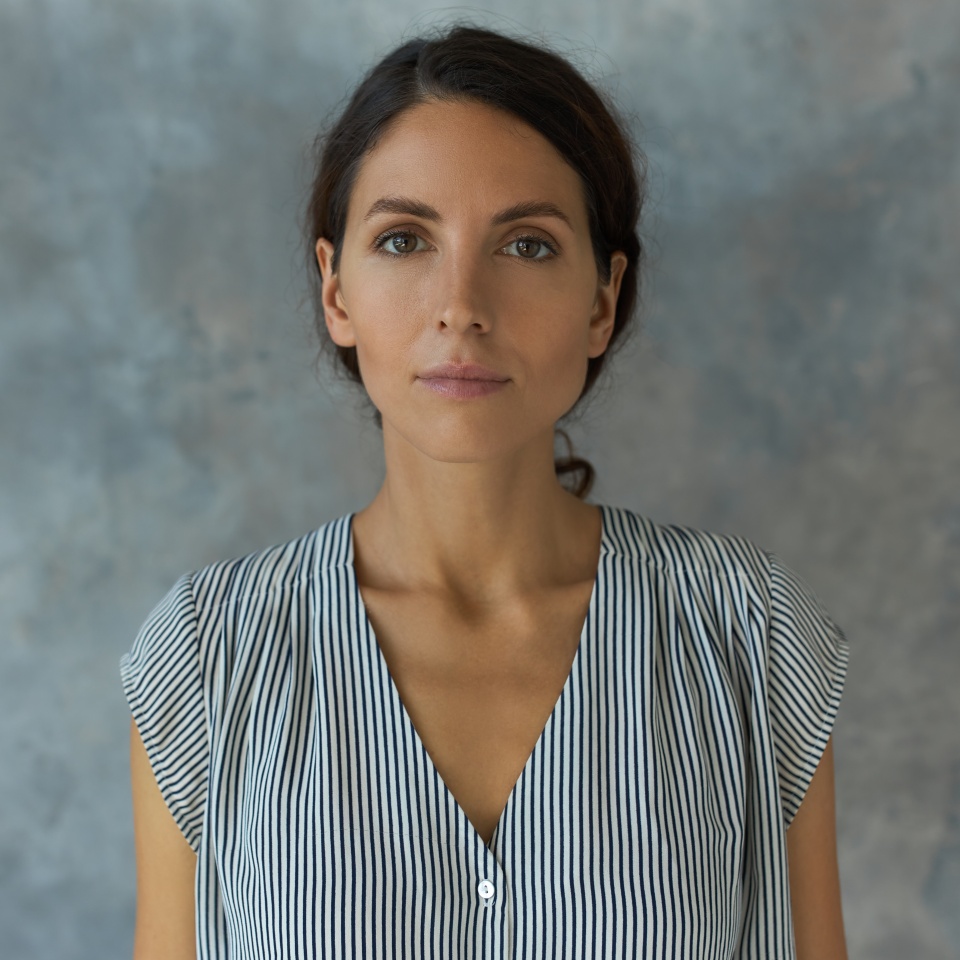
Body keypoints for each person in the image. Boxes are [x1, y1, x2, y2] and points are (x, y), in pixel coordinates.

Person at [121, 21, 851, 960]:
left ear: (602, 299)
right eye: (404, 238)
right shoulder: (207, 659)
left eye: (528, 246)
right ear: (335, 289)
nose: (460, 302)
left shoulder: (750, 636)